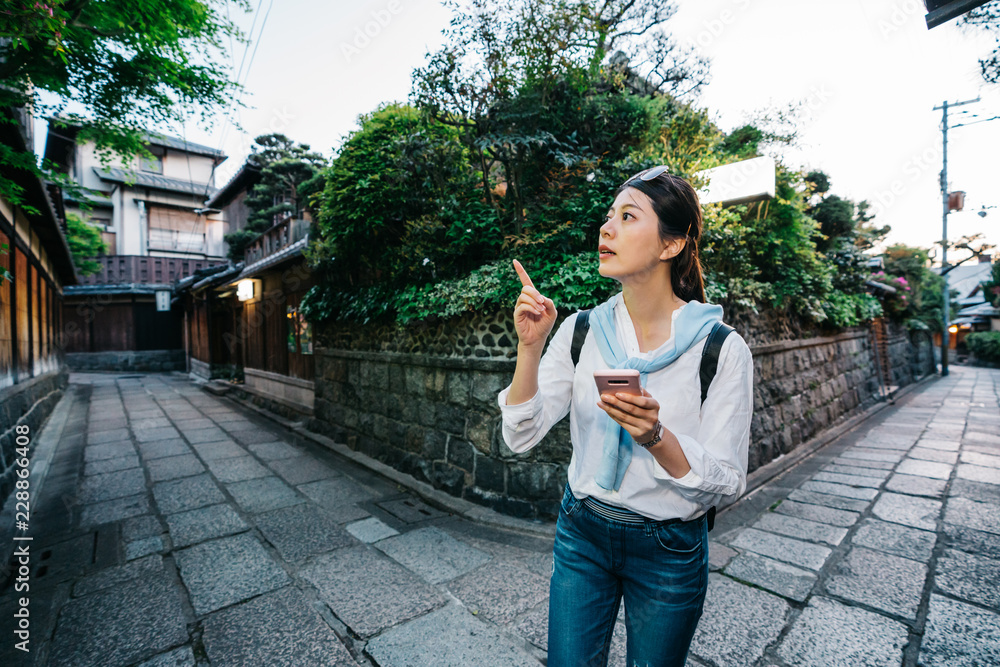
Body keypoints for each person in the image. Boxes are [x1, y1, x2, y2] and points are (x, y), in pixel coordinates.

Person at [496, 167, 754, 667]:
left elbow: (726, 479)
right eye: (608, 217)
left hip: (669, 547)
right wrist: (531, 348)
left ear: (671, 244)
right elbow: (520, 434)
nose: (606, 229)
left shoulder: (721, 349)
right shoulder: (580, 330)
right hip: (582, 533)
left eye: (627, 216)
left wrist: (657, 437)